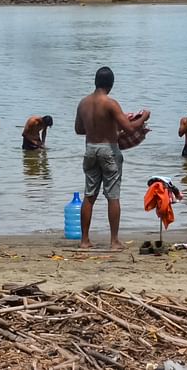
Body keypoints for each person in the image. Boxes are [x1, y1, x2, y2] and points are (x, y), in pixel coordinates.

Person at [74, 66, 150, 250]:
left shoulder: (83, 103)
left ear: (96, 82)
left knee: (89, 196)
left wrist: (98, 128)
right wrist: (144, 117)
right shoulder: (110, 104)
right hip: (108, 150)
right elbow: (130, 128)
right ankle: (114, 241)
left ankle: (84, 240)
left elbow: (78, 130)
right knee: (113, 196)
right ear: (111, 84)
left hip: (90, 149)